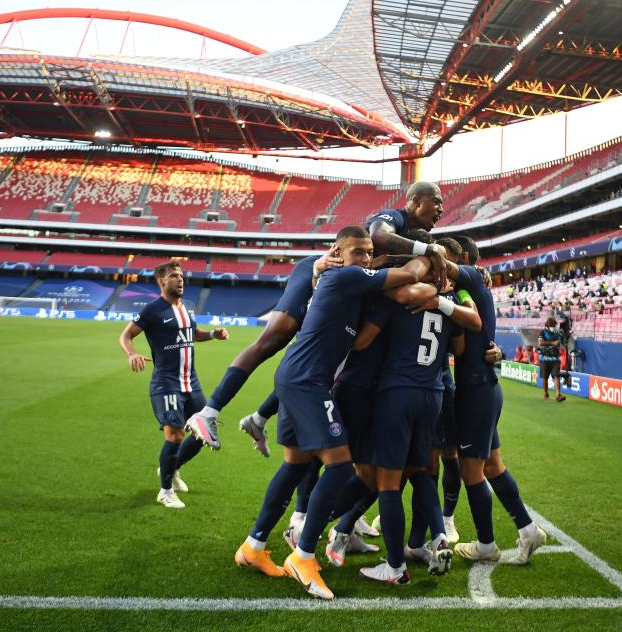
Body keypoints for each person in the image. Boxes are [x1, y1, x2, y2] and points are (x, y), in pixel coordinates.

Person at [234, 226, 433, 600]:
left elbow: (360, 335)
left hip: (298, 378)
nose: (363, 258)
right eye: (357, 251)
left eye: (368, 252)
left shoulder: (348, 281)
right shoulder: (346, 275)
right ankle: (304, 555)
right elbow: (409, 277)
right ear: (338, 253)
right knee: (340, 465)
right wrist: (430, 254)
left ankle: (253, 546)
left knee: (294, 467)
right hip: (307, 382)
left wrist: (383, 264)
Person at [351, 245, 471, 584]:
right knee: (423, 473)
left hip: (397, 393)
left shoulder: (398, 298)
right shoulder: (450, 305)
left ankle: (395, 568)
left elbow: (362, 343)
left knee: (387, 483)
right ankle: (438, 537)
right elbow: (458, 349)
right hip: (432, 395)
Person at [438, 239, 548, 566]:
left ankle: (486, 545)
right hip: (484, 388)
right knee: (492, 466)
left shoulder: (470, 279)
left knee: (472, 470)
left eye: (446, 260)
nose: (440, 266)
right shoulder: (470, 288)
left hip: (476, 391)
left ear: (465, 260)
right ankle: (528, 530)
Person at [185, 246, 342, 452]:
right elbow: (374, 237)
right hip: (321, 268)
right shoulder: (391, 223)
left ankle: (258, 419)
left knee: (308, 363)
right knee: (271, 341)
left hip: (341, 278)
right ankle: (208, 412)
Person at [118, 262, 230, 509]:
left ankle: (172, 468)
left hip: (192, 381)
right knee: (176, 434)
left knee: (203, 433)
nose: (180, 280)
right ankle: (165, 491)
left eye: (181, 276)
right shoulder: (151, 310)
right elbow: (125, 335)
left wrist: (213, 334)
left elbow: (192, 333)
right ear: (161, 282)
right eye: (173, 276)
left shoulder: (186, 308)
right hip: (167, 382)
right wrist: (131, 353)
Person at [539, 317, 565, 402]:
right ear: (548, 325)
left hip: (555, 359)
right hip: (544, 358)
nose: (555, 327)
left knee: (557, 376)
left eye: (555, 325)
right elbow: (541, 342)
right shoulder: (542, 332)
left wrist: (561, 340)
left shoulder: (557, 333)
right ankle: (546, 393)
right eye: (553, 325)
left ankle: (558, 395)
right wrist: (552, 343)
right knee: (545, 378)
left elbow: (561, 343)